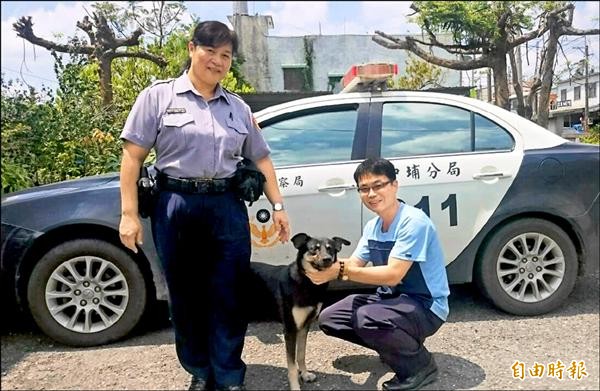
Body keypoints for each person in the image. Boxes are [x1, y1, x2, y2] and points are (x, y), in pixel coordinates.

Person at [118, 21, 290, 391]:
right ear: (191, 48)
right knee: (185, 294)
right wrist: (129, 214)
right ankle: (199, 370)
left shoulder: (238, 108)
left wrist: (278, 206)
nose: (217, 61)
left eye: (225, 55)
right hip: (175, 204)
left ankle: (228, 375)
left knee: (229, 292)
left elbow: (261, 160)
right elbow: (132, 158)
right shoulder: (158, 97)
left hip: (225, 206)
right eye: (210, 51)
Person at [306, 157, 449, 391]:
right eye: (364, 189)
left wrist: (341, 270)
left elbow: (393, 275)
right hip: (391, 302)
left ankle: (420, 367)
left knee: (367, 318)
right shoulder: (373, 227)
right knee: (331, 318)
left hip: (425, 305)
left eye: (378, 185)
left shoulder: (412, 222)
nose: (371, 193)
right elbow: (354, 263)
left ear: (394, 185)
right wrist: (318, 266)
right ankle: (395, 345)